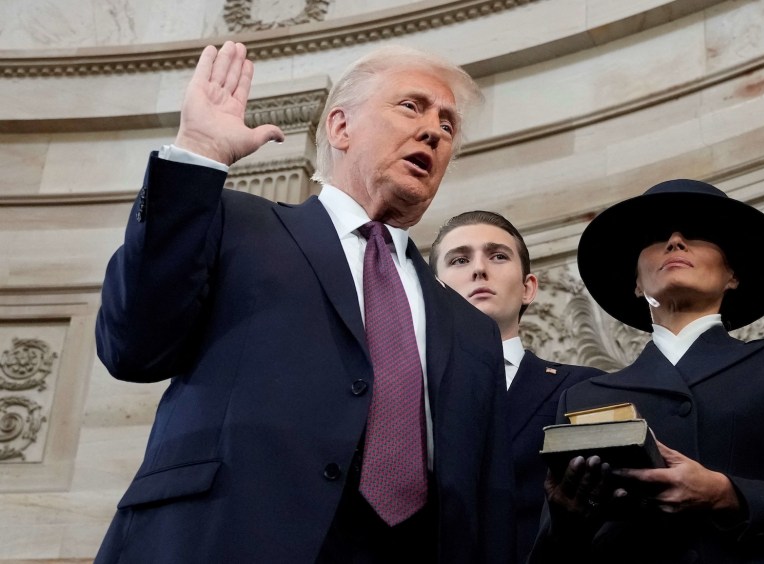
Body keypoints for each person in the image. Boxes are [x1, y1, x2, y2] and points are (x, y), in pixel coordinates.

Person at [92, 41, 515, 564]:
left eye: (447, 125)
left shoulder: (471, 330)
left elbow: (489, 503)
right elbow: (133, 345)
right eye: (412, 106)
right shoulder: (238, 225)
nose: (433, 129)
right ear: (340, 127)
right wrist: (198, 153)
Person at [528, 179, 764, 564]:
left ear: (733, 276)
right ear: (638, 284)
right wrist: (566, 519)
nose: (675, 241)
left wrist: (726, 493)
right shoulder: (585, 396)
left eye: (698, 235)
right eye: (657, 237)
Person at [429, 210, 604, 564]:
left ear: (528, 288)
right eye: (460, 259)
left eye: (497, 255)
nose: (479, 269)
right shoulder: (404, 393)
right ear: (433, 292)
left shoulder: (584, 389)